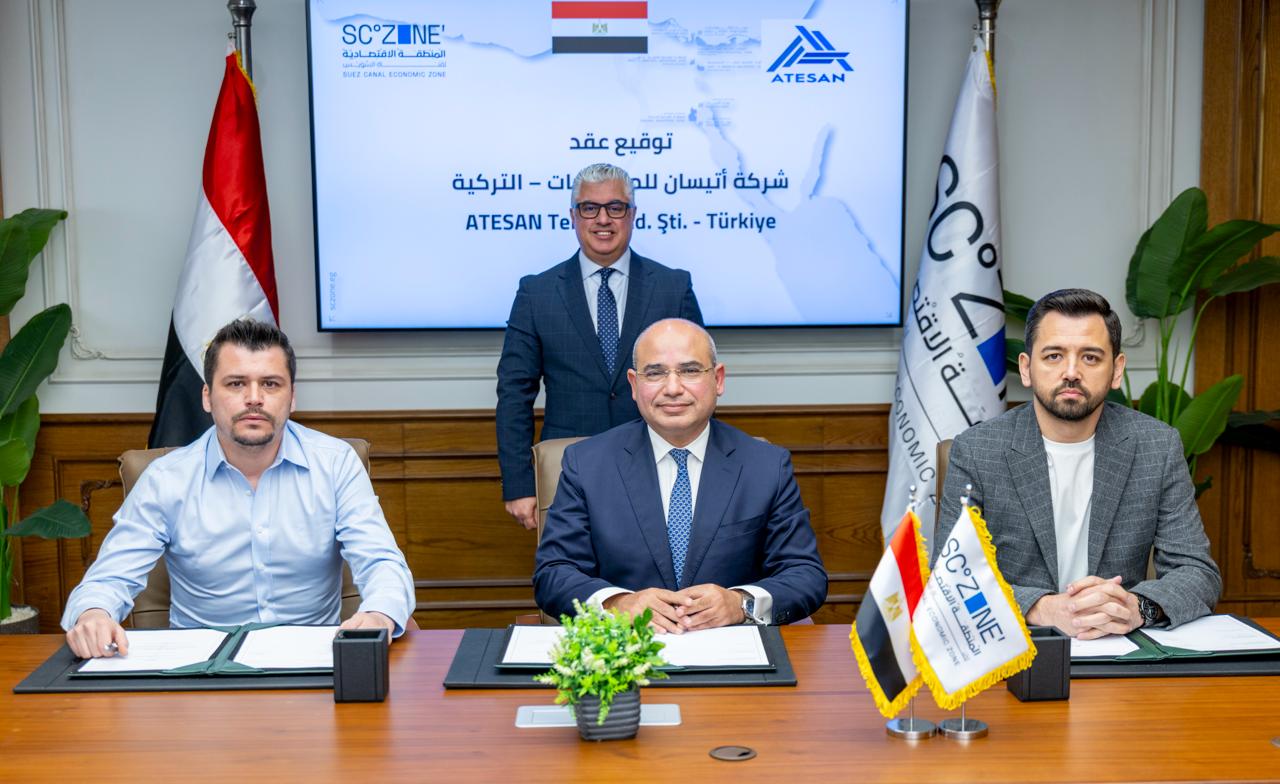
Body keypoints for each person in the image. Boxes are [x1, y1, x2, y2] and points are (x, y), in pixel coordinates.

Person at [62, 319, 415, 658]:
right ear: (207, 397)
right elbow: (109, 578)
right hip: (200, 671)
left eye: (271, 384)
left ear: (292, 397)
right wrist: (93, 614)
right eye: (235, 384)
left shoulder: (336, 464)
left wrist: (380, 613)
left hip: (311, 663)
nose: (254, 398)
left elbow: (381, 562)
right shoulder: (166, 479)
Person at [936, 288, 1220, 640]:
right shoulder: (978, 450)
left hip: (1118, 645)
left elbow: (1197, 571)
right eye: (1054, 356)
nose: (1071, 372)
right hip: (1019, 646)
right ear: (1026, 368)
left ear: (1116, 370)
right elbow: (949, 579)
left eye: (1090, 357)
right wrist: (1041, 608)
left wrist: (1135, 607)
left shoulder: (1156, 447)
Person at [533, 318, 827, 632]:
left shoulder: (766, 466)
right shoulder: (587, 463)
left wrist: (740, 603)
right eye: (655, 373)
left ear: (718, 379)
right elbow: (554, 572)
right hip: (626, 647)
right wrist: (617, 604)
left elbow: (805, 574)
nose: (673, 388)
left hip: (730, 650)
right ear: (634, 385)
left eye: (689, 371)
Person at [496, 163, 703, 530]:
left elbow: (698, 385)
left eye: (615, 207)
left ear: (632, 214)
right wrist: (519, 484)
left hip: (662, 467)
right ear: (573, 216)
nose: (603, 219)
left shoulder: (672, 287)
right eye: (590, 208)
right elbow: (514, 393)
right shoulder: (536, 293)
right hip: (567, 472)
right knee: (571, 567)